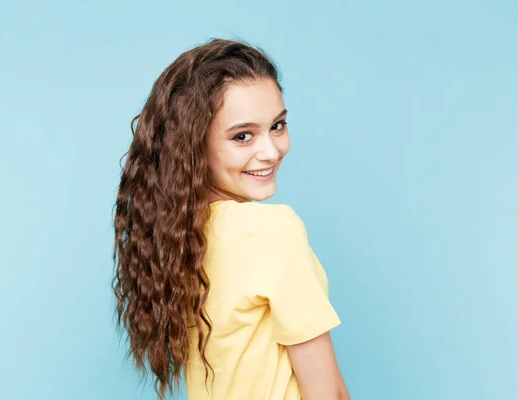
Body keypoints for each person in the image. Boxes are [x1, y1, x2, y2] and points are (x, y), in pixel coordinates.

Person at [112, 38, 349, 400]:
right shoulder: (272, 232)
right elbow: (327, 394)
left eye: (278, 126)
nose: (270, 151)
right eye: (243, 136)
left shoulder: (177, 238)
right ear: (194, 144)